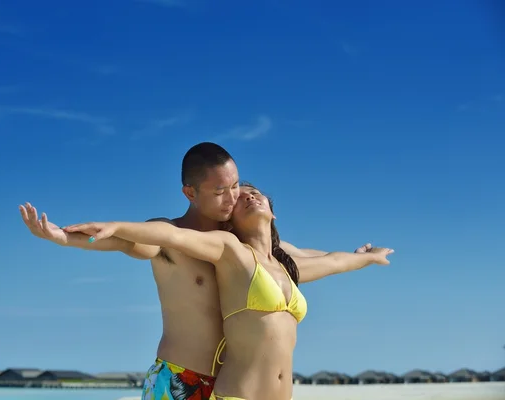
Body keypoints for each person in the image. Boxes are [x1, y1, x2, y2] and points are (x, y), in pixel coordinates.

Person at [19, 142, 374, 400]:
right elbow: (125, 242)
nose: (232, 197)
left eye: (235, 186)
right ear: (189, 192)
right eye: (220, 191)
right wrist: (61, 237)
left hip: (230, 386)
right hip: (181, 380)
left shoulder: (242, 246)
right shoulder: (168, 236)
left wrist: (359, 257)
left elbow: (301, 257)